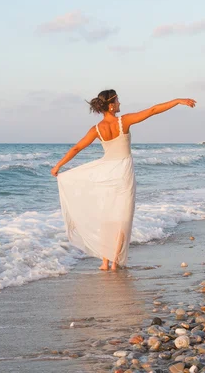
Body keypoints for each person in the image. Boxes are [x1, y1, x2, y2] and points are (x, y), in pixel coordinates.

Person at [51, 90, 196, 271]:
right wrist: (177, 100)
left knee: (108, 218)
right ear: (111, 105)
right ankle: (114, 263)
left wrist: (58, 166)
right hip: (123, 174)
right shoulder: (123, 121)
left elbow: (76, 148)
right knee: (122, 219)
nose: (120, 103)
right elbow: (152, 111)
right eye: (118, 100)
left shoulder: (96, 129)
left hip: (106, 174)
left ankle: (105, 262)